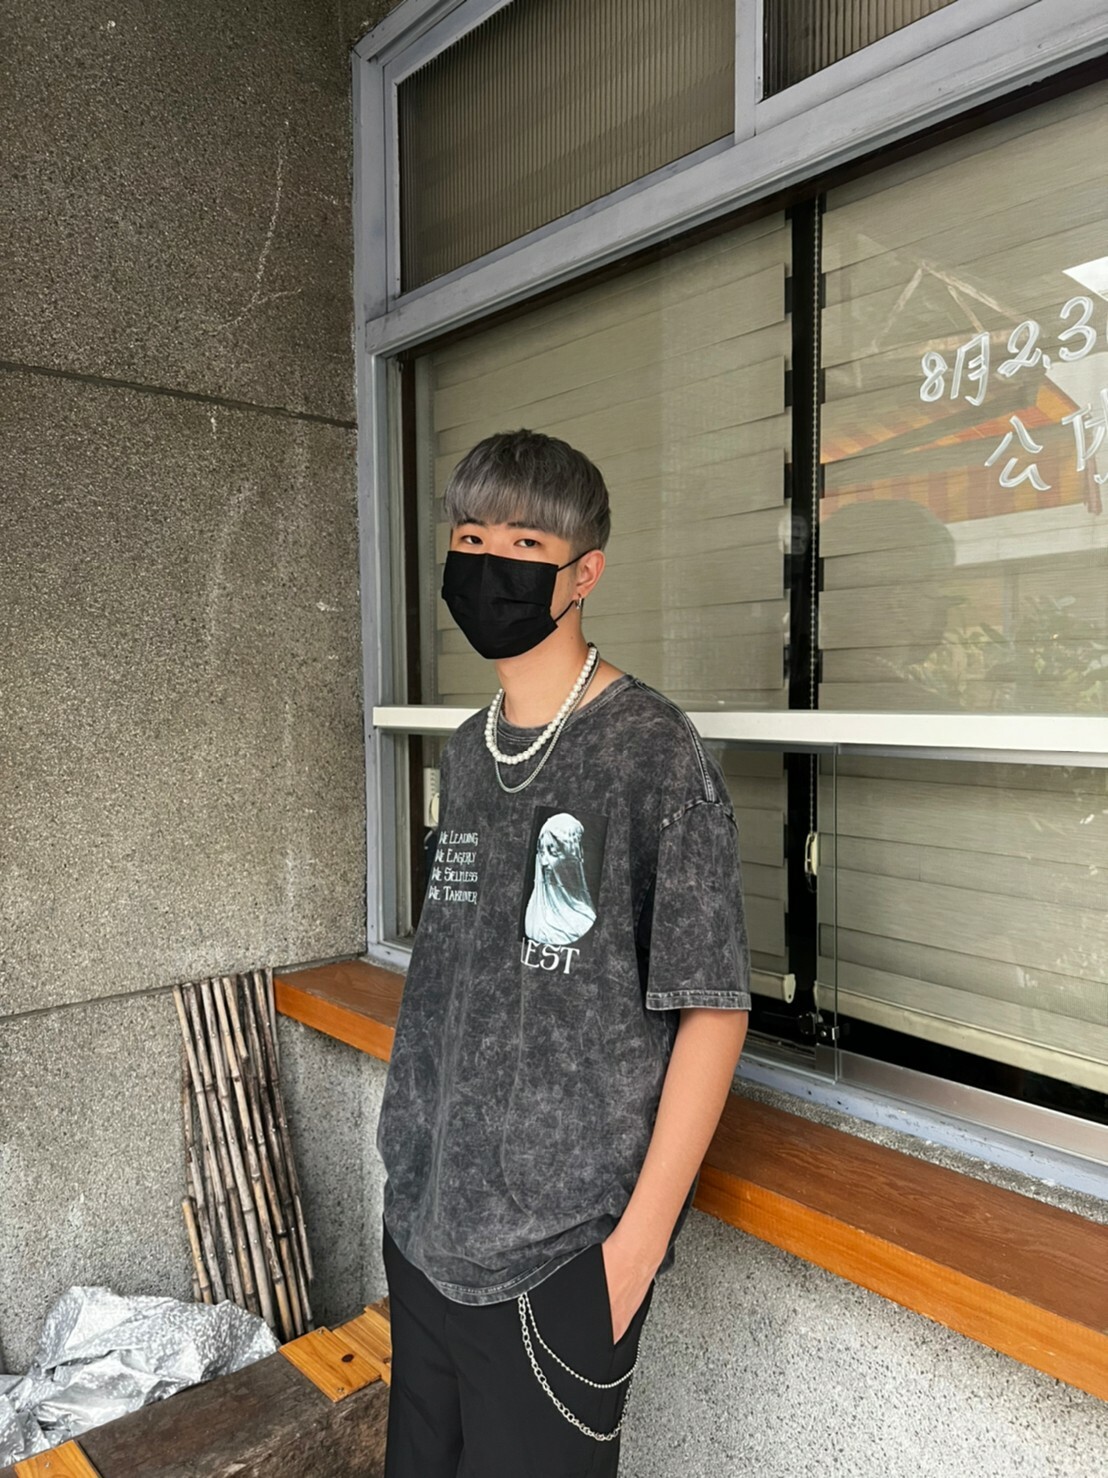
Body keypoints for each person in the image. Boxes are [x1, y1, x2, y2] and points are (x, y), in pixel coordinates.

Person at [376, 428, 751, 1478]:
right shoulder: (468, 746)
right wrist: (407, 1174)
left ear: (584, 572)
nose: (488, 561)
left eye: (524, 542)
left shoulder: (651, 752)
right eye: (470, 537)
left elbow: (713, 1006)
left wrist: (629, 1258)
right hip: (423, 1224)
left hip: (557, 1264)